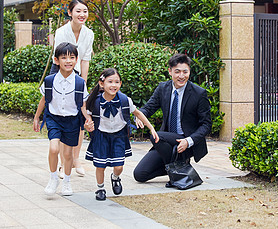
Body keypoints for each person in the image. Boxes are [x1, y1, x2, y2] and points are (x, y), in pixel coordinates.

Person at [133, 54, 212, 186]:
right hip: (167, 143)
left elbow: (206, 124)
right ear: (170, 71)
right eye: (177, 71)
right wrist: (138, 115)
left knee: (155, 136)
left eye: (185, 72)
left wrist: (189, 141)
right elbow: (149, 107)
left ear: (189, 72)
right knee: (140, 174)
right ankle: (179, 166)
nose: (181, 76)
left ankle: (180, 163)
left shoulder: (199, 93)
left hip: (187, 142)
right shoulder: (163, 88)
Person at [85, 68, 159, 201]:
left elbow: (138, 113)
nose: (113, 85)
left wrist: (151, 128)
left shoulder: (125, 100)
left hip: (119, 135)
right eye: (110, 82)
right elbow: (88, 117)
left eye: (117, 82)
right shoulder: (95, 102)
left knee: (118, 166)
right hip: (101, 136)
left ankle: (115, 178)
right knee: (100, 165)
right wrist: (87, 125)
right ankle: (100, 188)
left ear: (120, 84)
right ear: (102, 84)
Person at [33, 42, 93, 196]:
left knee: (68, 155)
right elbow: (44, 100)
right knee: (54, 148)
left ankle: (66, 181)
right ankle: (53, 178)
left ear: (76, 60)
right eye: (64, 57)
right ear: (56, 60)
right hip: (54, 118)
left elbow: (83, 105)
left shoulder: (80, 82)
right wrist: (36, 117)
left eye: (72, 57)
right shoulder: (50, 80)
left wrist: (88, 119)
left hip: (72, 120)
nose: (68, 61)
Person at [51, 0, 94, 178]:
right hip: (61, 73)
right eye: (78, 11)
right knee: (64, 118)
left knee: (79, 119)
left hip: (77, 77)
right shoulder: (61, 32)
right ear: (70, 13)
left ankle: (76, 160)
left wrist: (82, 83)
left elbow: (85, 60)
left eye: (85, 11)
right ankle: (62, 163)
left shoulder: (89, 33)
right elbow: (61, 60)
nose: (82, 14)